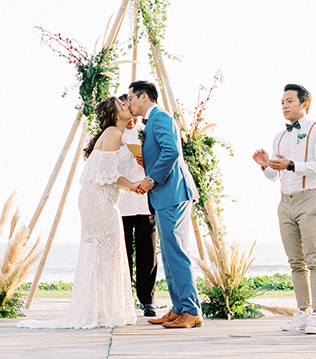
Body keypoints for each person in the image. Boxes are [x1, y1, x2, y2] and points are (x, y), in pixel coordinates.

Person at [18, 96, 140, 329]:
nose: (126, 104)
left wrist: (131, 185)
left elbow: (109, 174)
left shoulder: (117, 134)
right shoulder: (113, 133)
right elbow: (107, 172)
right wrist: (133, 185)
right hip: (98, 199)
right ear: (115, 115)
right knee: (104, 253)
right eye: (121, 104)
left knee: (105, 253)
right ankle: (99, 310)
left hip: (101, 197)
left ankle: (101, 308)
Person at [252, 83, 316, 335]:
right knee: (295, 261)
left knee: (314, 258)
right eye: (282, 102)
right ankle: (302, 311)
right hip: (285, 202)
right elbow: (274, 176)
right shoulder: (280, 136)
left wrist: (291, 164)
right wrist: (265, 165)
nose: (284, 106)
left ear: (304, 104)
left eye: (289, 101)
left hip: (310, 199)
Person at [127, 80, 202, 329]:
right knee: (169, 256)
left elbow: (171, 153)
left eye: (131, 98)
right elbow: (162, 151)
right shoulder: (154, 121)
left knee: (177, 253)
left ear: (144, 97)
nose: (129, 103)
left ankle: (191, 310)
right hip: (164, 196)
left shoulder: (159, 117)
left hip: (172, 194)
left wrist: (150, 179)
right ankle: (179, 307)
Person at [116, 94, 158, 318]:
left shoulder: (147, 129)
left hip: (144, 200)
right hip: (121, 201)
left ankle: (147, 300)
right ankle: (124, 298)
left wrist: (147, 160)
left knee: (148, 254)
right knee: (123, 253)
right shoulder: (116, 133)